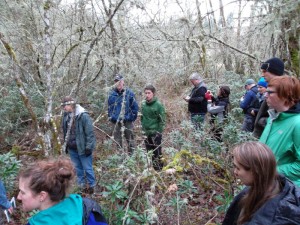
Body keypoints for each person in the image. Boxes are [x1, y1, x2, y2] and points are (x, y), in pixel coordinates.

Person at [223, 142, 300, 225]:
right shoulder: (259, 188)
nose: (235, 172)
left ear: (255, 171)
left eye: (238, 168)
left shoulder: (279, 219)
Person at [259, 75, 300, 186]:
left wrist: (271, 172)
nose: (265, 95)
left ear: (286, 95)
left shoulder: (297, 124)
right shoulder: (273, 116)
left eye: (270, 92)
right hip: (265, 185)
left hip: (283, 191)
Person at [17, 157, 83, 224]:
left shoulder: (36, 223)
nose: (18, 197)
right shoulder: (82, 204)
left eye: (23, 192)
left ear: (42, 196)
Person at [61, 96, 96, 194]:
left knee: (88, 168)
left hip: (83, 148)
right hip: (72, 148)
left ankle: (92, 187)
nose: (64, 108)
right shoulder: (66, 116)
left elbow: (90, 133)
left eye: (65, 105)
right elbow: (65, 132)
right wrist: (66, 145)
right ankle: (81, 187)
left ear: (71, 104)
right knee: (77, 169)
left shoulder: (83, 115)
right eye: (63, 106)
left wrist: (89, 147)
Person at [253, 57, 285, 138]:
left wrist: (262, 121)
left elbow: (284, 119)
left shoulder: (284, 91)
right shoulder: (272, 89)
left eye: (265, 71)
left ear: (275, 72)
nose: (262, 75)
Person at [108, 74, 139, 154]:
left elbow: (135, 108)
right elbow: (110, 108)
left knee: (131, 141)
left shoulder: (129, 93)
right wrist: (112, 117)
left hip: (127, 121)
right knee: (118, 142)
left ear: (123, 82)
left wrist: (130, 118)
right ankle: (120, 160)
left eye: (119, 81)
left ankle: (132, 159)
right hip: (116, 123)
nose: (118, 83)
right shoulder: (112, 95)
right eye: (116, 82)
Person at [141, 85, 166, 171]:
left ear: (153, 93)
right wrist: (143, 129)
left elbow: (162, 120)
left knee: (157, 152)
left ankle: (159, 170)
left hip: (155, 133)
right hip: (146, 133)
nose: (147, 95)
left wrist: (158, 132)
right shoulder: (143, 104)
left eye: (149, 93)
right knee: (149, 152)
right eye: (146, 93)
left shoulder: (158, 105)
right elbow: (142, 117)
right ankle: (152, 169)